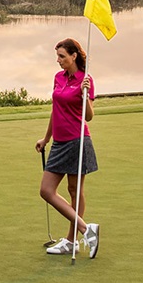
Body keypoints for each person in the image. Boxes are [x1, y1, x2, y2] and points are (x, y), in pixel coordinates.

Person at [35, 38, 100, 258]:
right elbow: (56, 110)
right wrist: (46, 139)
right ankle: (86, 229)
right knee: (46, 191)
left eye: (62, 56)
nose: (58, 60)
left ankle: (72, 240)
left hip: (77, 141)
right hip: (59, 142)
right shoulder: (58, 78)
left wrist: (84, 95)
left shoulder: (86, 79)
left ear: (74, 56)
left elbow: (89, 117)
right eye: (57, 56)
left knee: (75, 191)